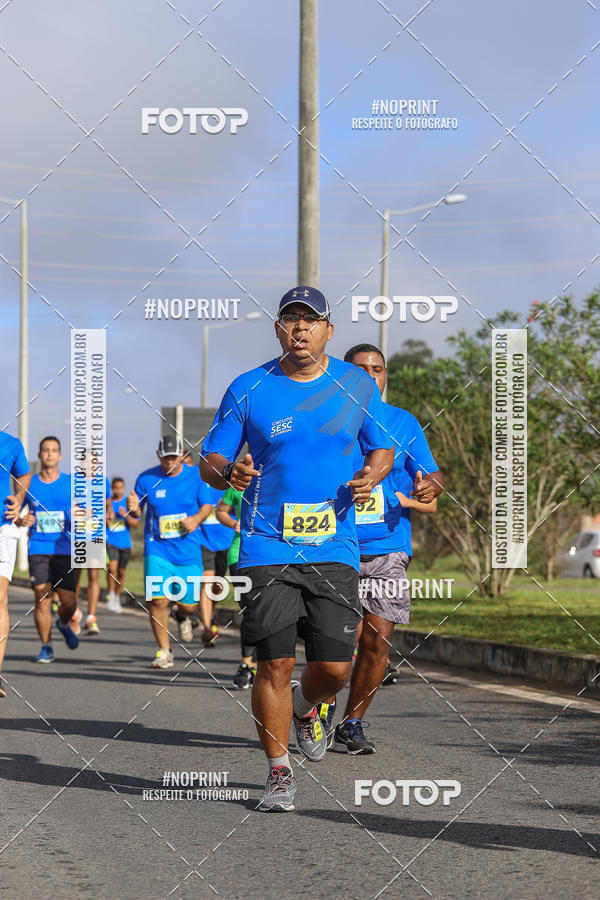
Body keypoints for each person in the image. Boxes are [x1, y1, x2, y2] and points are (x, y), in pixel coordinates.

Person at [201, 286, 394, 812]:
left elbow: (381, 445)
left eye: (311, 321)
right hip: (266, 546)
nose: (300, 329)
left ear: (329, 330)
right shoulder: (249, 387)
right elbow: (211, 461)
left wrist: (371, 475)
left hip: (334, 543)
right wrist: (228, 472)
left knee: (333, 669)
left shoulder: (355, 384)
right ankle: (278, 772)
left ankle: (311, 709)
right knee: (274, 664)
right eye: (290, 320)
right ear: (278, 330)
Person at [328, 343, 443, 755]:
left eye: (378, 368)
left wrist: (430, 483)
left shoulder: (403, 422)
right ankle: (320, 700)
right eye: (362, 369)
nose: (372, 375)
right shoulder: (326, 417)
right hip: (332, 545)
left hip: (388, 548)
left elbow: (430, 474)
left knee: (377, 642)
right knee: (339, 644)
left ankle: (352, 722)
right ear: (345, 374)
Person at [128, 435, 213, 668]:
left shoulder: (195, 476)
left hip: (188, 551)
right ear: (158, 456)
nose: (169, 463)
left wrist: (195, 520)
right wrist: (133, 510)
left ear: (182, 454)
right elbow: (137, 514)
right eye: (165, 459)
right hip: (157, 549)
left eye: (174, 458)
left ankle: (183, 616)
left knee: (189, 604)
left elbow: (207, 505)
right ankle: (164, 651)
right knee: (158, 600)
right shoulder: (146, 479)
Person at [16, 436, 79, 662]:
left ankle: (63, 623)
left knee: (69, 603)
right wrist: (21, 521)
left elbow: (90, 513)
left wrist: (80, 514)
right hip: (39, 548)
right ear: (39, 455)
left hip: (64, 548)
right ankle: (46, 646)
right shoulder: (29, 484)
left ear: (60, 456)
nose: (50, 454)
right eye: (45, 450)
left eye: (54, 450)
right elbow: (13, 513)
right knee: (41, 597)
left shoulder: (72, 483)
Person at [380, 468, 437, 686]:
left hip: (399, 549)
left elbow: (432, 505)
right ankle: (375, 660)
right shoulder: (356, 460)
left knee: (383, 612)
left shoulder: (410, 472)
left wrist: (406, 501)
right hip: (357, 547)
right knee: (358, 610)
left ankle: (380, 662)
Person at [0, 430, 32, 697]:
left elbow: (24, 473)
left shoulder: (10, 443)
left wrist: (19, 500)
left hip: (3, 528)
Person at [215, 487, 256, 689]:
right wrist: (234, 522)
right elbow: (220, 511)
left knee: (271, 610)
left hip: (272, 555)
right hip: (239, 554)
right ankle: (246, 665)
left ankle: (259, 664)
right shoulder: (238, 484)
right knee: (249, 610)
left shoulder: (281, 473)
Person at [73, 450, 112, 636]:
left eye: (94, 461)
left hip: (96, 534)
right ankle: (75, 611)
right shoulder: (73, 481)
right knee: (75, 577)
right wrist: (80, 512)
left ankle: (92, 617)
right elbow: (68, 505)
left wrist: (109, 514)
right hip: (77, 536)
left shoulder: (104, 482)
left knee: (94, 576)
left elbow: (108, 504)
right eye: (86, 461)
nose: (90, 465)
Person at [196, 484, 233, 648]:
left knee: (218, 587)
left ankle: (210, 615)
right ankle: (207, 628)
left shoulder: (229, 485)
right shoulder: (198, 484)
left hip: (226, 541)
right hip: (204, 541)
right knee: (207, 583)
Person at [106, 476, 139, 613]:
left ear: (123, 488)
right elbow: (102, 522)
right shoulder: (107, 503)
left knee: (121, 572)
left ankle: (117, 596)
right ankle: (110, 593)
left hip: (125, 543)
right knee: (112, 567)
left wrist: (125, 515)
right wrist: (108, 519)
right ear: (112, 489)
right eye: (115, 488)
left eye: (120, 488)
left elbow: (136, 524)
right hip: (111, 541)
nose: (117, 490)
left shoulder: (128, 502)